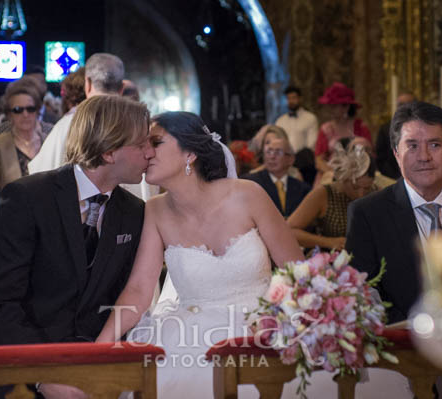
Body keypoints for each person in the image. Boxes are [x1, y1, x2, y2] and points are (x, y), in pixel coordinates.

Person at [94, 111, 303, 399]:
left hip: (263, 330)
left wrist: (273, 319)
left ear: (189, 153)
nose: (146, 152)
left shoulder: (248, 195)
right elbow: (140, 288)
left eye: (155, 142)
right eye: (144, 145)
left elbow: (299, 272)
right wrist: (98, 349)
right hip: (188, 339)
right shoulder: (154, 210)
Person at [0, 94, 151, 349]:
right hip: (19, 358)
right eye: (141, 144)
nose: (150, 152)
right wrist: (45, 376)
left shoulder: (133, 211)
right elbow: (0, 304)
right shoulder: (27, 197)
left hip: (93, 357)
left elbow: (117, 299)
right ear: (110, 152)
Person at [346, 101, 442, 324]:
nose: (424, 156)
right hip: (402, 345)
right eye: (412, 146)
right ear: (396, 153)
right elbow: (364, 294)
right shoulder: (367, 214)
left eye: (435, 145)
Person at [29, 53, 124, 174]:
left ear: (88, 85)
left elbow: (41, 174)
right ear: (121, 88)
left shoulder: (68, 124)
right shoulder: (136, 125)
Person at [288, 143, 375, 251]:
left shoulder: (377, 193)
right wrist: (328, 242)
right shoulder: (324, 194)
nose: (361, 194)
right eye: (355, 187)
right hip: (329, 262)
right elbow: (290, 230)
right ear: (343, 179)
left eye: (367, 188)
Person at [0, 79, 50, 210]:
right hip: (11, 216)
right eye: (18, 110)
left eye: (30, 109)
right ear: (9, 115)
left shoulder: (49, 141)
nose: (25, 114)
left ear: (37, 111)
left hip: (46, 216)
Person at [314, 82, 372, 181]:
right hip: (331, 176)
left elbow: (369, 155)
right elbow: (319, 160)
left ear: (346, 107)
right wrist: (334, 174)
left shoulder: (360, 127)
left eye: (334, 106)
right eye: (329, 105)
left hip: (359, 176)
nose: (330, 109)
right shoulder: (326, 128)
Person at [243, 135, 310, 218]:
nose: (272, 157)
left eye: (278, 152)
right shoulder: (251, 183)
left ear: (291, 159)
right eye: (269, 152)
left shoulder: (303, 189)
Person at [374, 91, 416, 180]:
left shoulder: (423, 129)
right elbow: (381, 159)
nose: (404, 107)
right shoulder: (385, 129)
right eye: (401, 104)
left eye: (408, 104)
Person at [274, 85, 318, 155]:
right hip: (283, 160)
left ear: (300, 99)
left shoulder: (310, 118)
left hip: (304, 161)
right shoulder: (280, 121)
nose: (291, 101)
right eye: (288, 98)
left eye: (293, 98)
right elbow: (277, 143)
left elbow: (312, 144)